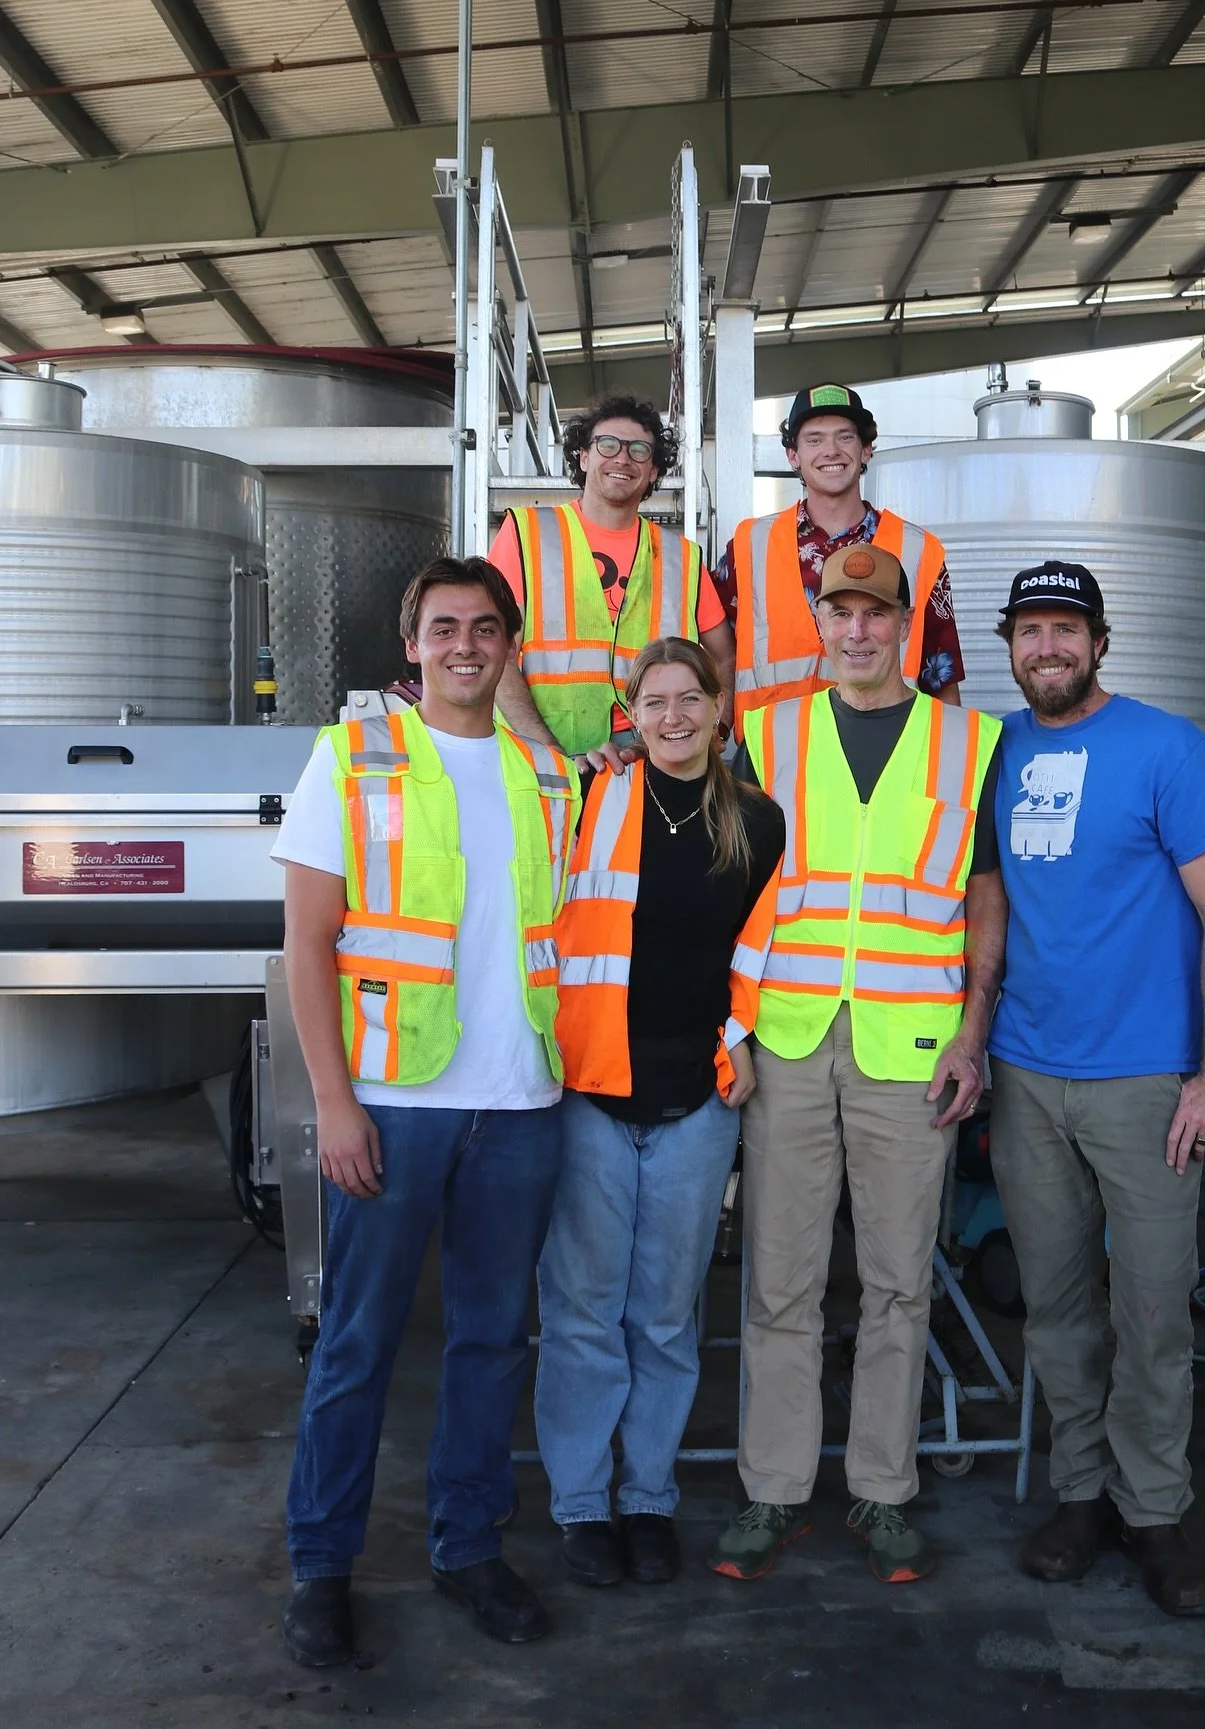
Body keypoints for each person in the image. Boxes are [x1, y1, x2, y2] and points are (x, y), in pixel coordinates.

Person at [272, 555, 579, 1666]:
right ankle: (321, 1564)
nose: (465, 645)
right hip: (395, 1107)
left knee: (493, 1344)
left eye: (485, 628)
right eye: (444, 627)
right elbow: (307, 943)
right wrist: (334, 1104)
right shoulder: (351, 758)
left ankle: (466, 1549)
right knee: (355, 1344)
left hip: (522, 1105)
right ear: (411, 645)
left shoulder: (550, 780)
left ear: (508, 646)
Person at [709, 543, 1005, 1586]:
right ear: (820, 621)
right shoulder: (763, 733)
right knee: (780, 1282)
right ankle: (775, 1491)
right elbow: (726, 886)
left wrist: (973, 1033)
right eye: (841, 612)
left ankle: (882, 1493)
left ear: (903, 626)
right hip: (787, 1038)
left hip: (911, 1045)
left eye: (877, 613)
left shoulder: (970, 743)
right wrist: (728, 1028)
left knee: (897, 1283)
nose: (859, 630)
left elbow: (983, 895)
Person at [985, 560, 1205, 1620]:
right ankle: (1082, 1495)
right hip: (1026, 1072)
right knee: (1054, 1308)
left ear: (1100, 641)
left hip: (1146, 1082)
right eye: (1029, 631)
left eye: (1065, 629)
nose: (1046, 647)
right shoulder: (997, 751)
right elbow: (989, 907)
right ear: (1009, 645)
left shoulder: (1166, 748)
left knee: (1150, 1309)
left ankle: (1155, 1512)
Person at [533, 637, 784, 1588]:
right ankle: (582, 1504)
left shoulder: (758, 823)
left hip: (698, 1097)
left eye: (691, 699)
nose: (673, 717)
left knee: (668, 1319)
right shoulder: (588, 806)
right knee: (584, 1312)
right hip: (591, 1091)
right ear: (626, 714)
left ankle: (647, 1497)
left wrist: (745, 1044)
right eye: (655, 701)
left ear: (720, 710)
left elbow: (764, 957)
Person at [489, 394, 735, 770]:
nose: (622, 458)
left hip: (651, 760)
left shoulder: (681, 557)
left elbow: (725, 656)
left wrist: (717, 729)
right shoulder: (526, 534)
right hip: (544, 756)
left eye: (639, 450)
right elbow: (496, 653)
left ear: (653, 470)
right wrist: (549, 758)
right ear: (584, 457)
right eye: (607, 445)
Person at [712, 383, 964, 743]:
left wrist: (950, 764)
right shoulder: (750, 544)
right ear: (792, 455)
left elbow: (941, 675)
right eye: (814, 439)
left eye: (845, 437)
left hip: (885, 757)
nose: (831, 450)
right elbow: (714, 650)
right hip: (771, 760)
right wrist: (714, 731)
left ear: (866, 450)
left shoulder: (919, 549)